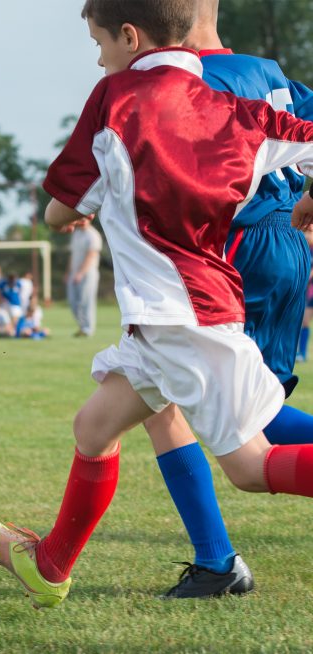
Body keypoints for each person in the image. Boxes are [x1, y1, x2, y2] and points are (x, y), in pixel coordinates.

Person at [0, 0, 313, 610]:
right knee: (93, 427)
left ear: (129, 38)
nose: (98, 57)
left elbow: (58, 210)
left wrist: (84, 204)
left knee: (250, 467)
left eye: (98, 42)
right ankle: (50, 567)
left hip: (186, 319)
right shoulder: (241, 112)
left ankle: (173, 563)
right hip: (167, 320)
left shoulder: (114, 98)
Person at [142, 0, 313, 597]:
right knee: (232, 408)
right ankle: (214, 559)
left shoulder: (189, 81)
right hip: (287, 245)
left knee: (184, 404)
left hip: (224, 253)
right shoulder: (267, 71)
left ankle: (217, 561)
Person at [67, 217, 103, 337]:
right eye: (80, 218)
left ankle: (87, 329)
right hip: (74, 273)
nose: (82, 220)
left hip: (88, 273)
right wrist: (69, 272)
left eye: (84, 218)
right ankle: (82, 327)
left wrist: (81, 273)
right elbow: (72, 255)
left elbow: (91, 255)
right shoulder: (76, 233)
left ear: (89, 219)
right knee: (73, 301)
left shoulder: (93, 235)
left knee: (85, 301)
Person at [297, 230, 313, 361]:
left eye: (310, 232)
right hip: (304, 290)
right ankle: (300, 352)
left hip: (310, 290)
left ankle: (302, 352)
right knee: (301, 321)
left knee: (305, 321)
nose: (307, 235)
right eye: (306, 232)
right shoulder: (302, 247)